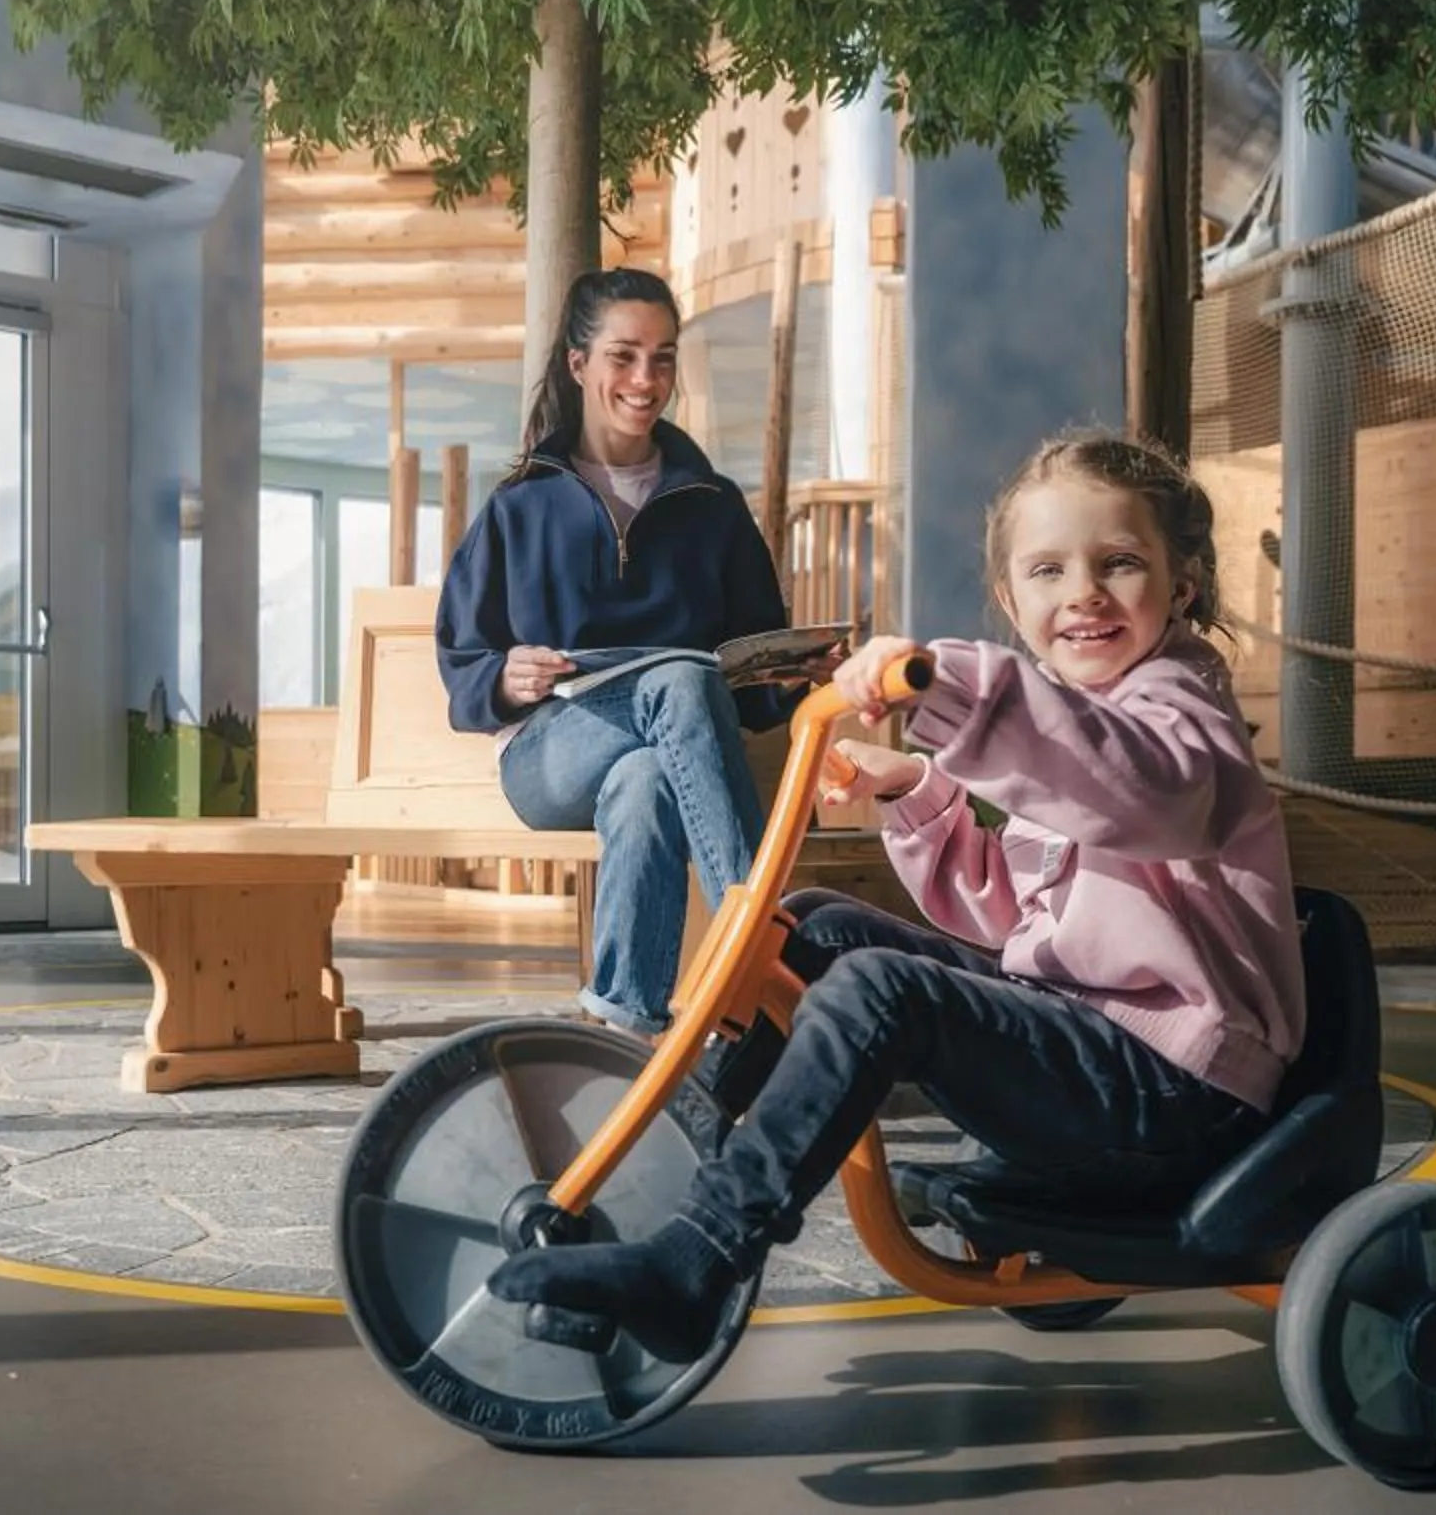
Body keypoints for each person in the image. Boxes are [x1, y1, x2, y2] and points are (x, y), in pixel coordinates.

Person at [489, 429, 1307, 1362]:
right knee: (814, 929)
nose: (1082, 592)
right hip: (1089, 1040)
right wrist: (915, 790)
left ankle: (699, 1258)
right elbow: (1010, 916)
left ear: (1182, 585)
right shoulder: (1078, 719)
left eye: (1119, 563)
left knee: (880, 993)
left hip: (1174, 1086)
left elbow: (1146, 792)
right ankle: (677, 1162)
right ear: (1013, 600)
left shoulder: (1179, 711)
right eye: (1048, 571)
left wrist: (953, 684)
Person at [436, 267, 801, 1038]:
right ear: (579, 364)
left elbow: (753, 669)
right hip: (546, 754)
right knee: (680, 678)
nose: (645, 379)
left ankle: (623, 1031)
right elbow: (464, 660)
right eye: (624, 356)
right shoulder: (519, 505)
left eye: (663, 358)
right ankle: (756, 948)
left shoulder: (713, 506)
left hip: (669, 745)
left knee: (646, 784)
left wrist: (793, 674)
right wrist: (504, 675)